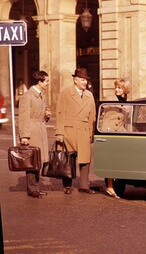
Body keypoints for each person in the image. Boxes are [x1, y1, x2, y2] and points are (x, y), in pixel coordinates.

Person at [55, 68, 96, 195]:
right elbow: (60, 113)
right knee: (68, 159)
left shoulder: (89, 95)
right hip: (69, 130)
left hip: (84, 130)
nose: (85, 82)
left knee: (85, 160)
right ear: (75, 80)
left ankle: (84, 185)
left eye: (86, 80)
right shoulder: (65, 93)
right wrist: (59, 132)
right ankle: (67, 185)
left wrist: (91, 133)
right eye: (83, 80)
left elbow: (92, 116)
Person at [18, 70, 51, 198]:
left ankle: (36, 187)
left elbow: (41, 113)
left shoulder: (41, 95)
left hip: (40, 129)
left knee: (39, 161)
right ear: (39, 82)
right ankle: (32, 189)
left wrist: (47, 116)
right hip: (32, 131)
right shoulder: (27, 96)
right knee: (32, 161)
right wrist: (24, 136)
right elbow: (23, 117)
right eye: (46, 81)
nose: (48, 84)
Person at [104, 78, 131, 198]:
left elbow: (126, 120)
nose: (116, 89)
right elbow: (105, 116)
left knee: (120, 159)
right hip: (109, 132)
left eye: (119, 87)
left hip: (120, 132)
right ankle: (109, 186)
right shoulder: (110, 99)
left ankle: (118, 184)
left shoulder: (127, 101)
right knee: (110, 159)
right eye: (116, 87)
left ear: (125, 89)